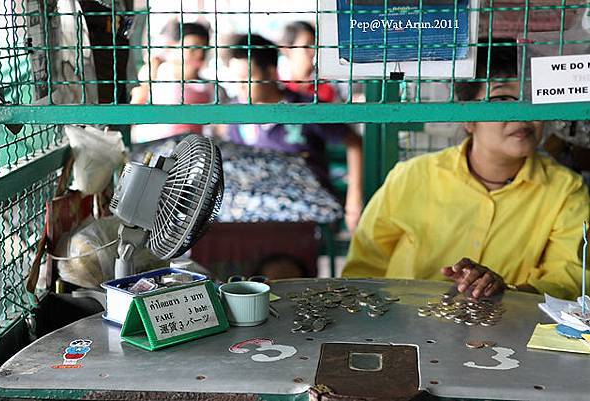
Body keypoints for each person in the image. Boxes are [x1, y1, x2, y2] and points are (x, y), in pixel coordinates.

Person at [342, 40, 590, 300]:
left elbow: (569, 281)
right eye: (502, 99)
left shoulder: (566, 191)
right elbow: (362, 271)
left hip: (505, 332)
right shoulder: (411, 177)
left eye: (531, 98)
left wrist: (506, 293)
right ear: (468, 117)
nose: (522, 112)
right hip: (400, 328)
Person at [224, 34, 363, 233]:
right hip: (259, 217)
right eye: (235, 79)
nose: (240, 86)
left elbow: (354, 142)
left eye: (247, 78)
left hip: (309, 213)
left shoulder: (305, 108)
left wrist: (354, 200)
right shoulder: (235, 115)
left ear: (271, 73)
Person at [130, 21, 222, 143]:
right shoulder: (156, 72)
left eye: (203, 49)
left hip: (189, 151)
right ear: (175, 46)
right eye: (192, 48)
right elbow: (135, 107)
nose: (199, 54)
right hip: (151, 144)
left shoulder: (210, 88)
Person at [281, 21, 337, 102]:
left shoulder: (326, 90)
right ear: (287, 49)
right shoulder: (278, 89)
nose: (313, 52)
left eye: (314, 46)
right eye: (306, 46)